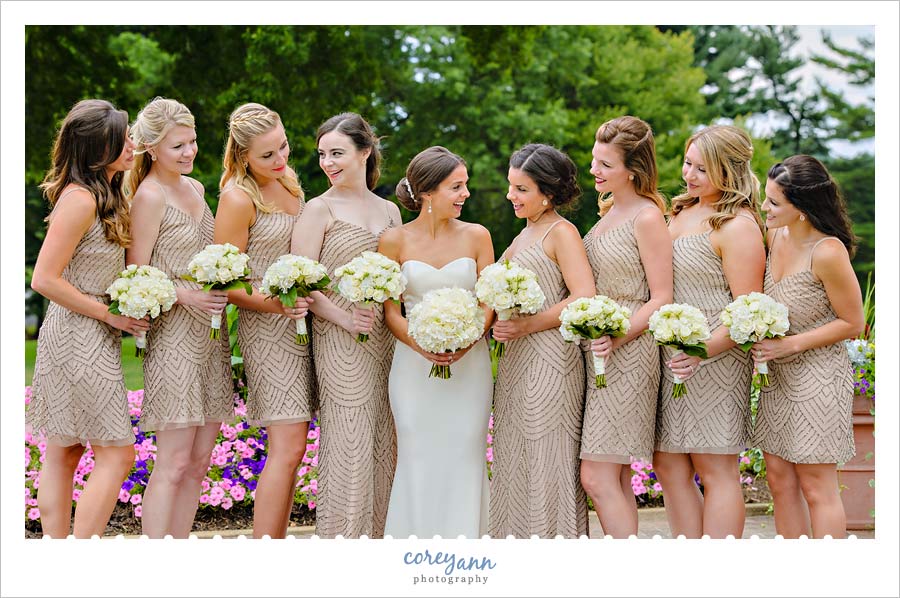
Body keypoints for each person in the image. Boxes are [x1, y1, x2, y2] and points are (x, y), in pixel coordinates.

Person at [27, 99, 148, 538]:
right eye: (124, 139)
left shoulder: (112, 193)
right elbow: (44, 278)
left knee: (66, 450)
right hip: (78, 334)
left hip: (88, 330)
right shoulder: (79, 201)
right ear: (99, 149)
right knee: (117, 454)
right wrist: (108, 315)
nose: (133, 145)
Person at [124, 97, 233, 538]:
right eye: (177, 146)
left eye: (192, 142)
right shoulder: (148, 197)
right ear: (151, 148)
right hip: (173, 340)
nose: (189, 152)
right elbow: (134, 276)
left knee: (199, 462)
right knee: (171, 463)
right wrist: (187, 295)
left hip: (212, 337)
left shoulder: (198, 189)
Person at [291, 112, 401, 539]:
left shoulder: (390, 209)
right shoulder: (318, 209)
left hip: (388, 340)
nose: (327, 162)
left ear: (365, 152)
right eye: (322, 154)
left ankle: (381, 540)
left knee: (384, 440)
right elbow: (301, 281)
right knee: (350, 439)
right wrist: (343, 317)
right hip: (338, 338)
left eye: (337, 153)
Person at [653, 124, 766, 539]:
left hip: (715, 359)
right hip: (671, 355)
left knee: (715, 467)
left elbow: (749, 311)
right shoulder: (680, 211)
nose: (689, 175)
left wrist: (701, 350)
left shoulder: (738, 225)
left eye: (703, 168)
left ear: (730, 170)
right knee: (667, 463)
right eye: (687, 163)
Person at [378, 146, 495, 538]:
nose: (465, 194)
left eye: (465, 186)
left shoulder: (478, 236)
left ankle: (468, 553)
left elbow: (489, 301)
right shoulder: (393, 241)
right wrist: (420, 344)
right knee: (417, 454)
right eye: (456, 187)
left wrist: (469, 337)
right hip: (412, 367)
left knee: (465, 453)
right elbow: (392, 312)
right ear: (427, 192)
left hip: (470, 366)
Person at [214, 102, 314, 539]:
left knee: (298, 446)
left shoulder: (290, 184)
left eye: (284, 146)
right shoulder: (238, 199)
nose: (281, 160)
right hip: (268, 331)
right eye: (267, 155)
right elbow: (227, 283)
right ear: (241, 157)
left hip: (309, 325)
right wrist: (278, 305)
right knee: (287, 445)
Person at [751, 155, 864, 538]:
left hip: (818, 377)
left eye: (774, 202)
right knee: (780, 482)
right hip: (777, 379)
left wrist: (792, 345)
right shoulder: (774, 235)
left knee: (817, 488)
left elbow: (854, 323)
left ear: (802, 209)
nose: (764, 208)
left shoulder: (827, 252)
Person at [488, 143, 595, 538]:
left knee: (546, 455)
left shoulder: (561, 232)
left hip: (551, 360)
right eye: (511, 186)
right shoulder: (523, 234)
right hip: (517, 360)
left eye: (521, 189)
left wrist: (527, 326)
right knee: (518, 455)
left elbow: (583, 294)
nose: (510, 196)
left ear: (547, 193)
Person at [579, 117, 674, 538]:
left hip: (630, 353)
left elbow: (661, 297)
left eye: (605, 164)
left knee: (596, 477)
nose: (594, 171)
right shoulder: (607, 212)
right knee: (613, 477)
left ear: (632, 169)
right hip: (598, 350)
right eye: (594, 161)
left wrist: (617, 336)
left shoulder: (647, 216)